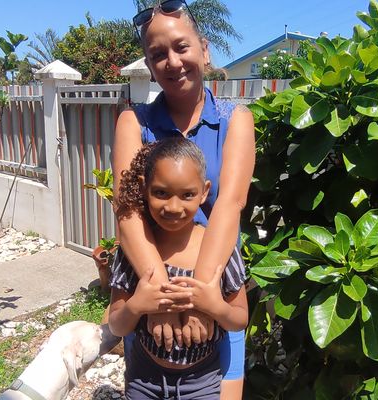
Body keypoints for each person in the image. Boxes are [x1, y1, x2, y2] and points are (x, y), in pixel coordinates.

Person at [112, 0, 255, 398]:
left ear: (204, 49)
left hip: (215, 290)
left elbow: (231, 205)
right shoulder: (134, 122)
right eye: (158, 54)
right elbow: (127, 212)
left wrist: (199, 299)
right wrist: (162, 299)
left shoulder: (233, 119)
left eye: (181, 47)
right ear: (148, 63)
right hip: (153, 296)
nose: (172, 61)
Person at [108, 138, 248, 399]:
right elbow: (116, 325)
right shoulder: (133, 251)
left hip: (202, 382)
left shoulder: (220, 251)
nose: (173, 207)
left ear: (205, 192)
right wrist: (137, 305)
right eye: (161, 193)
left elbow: (240, 318)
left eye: (187, 195)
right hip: (144, 379)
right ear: (144, 187)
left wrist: (214, 306)